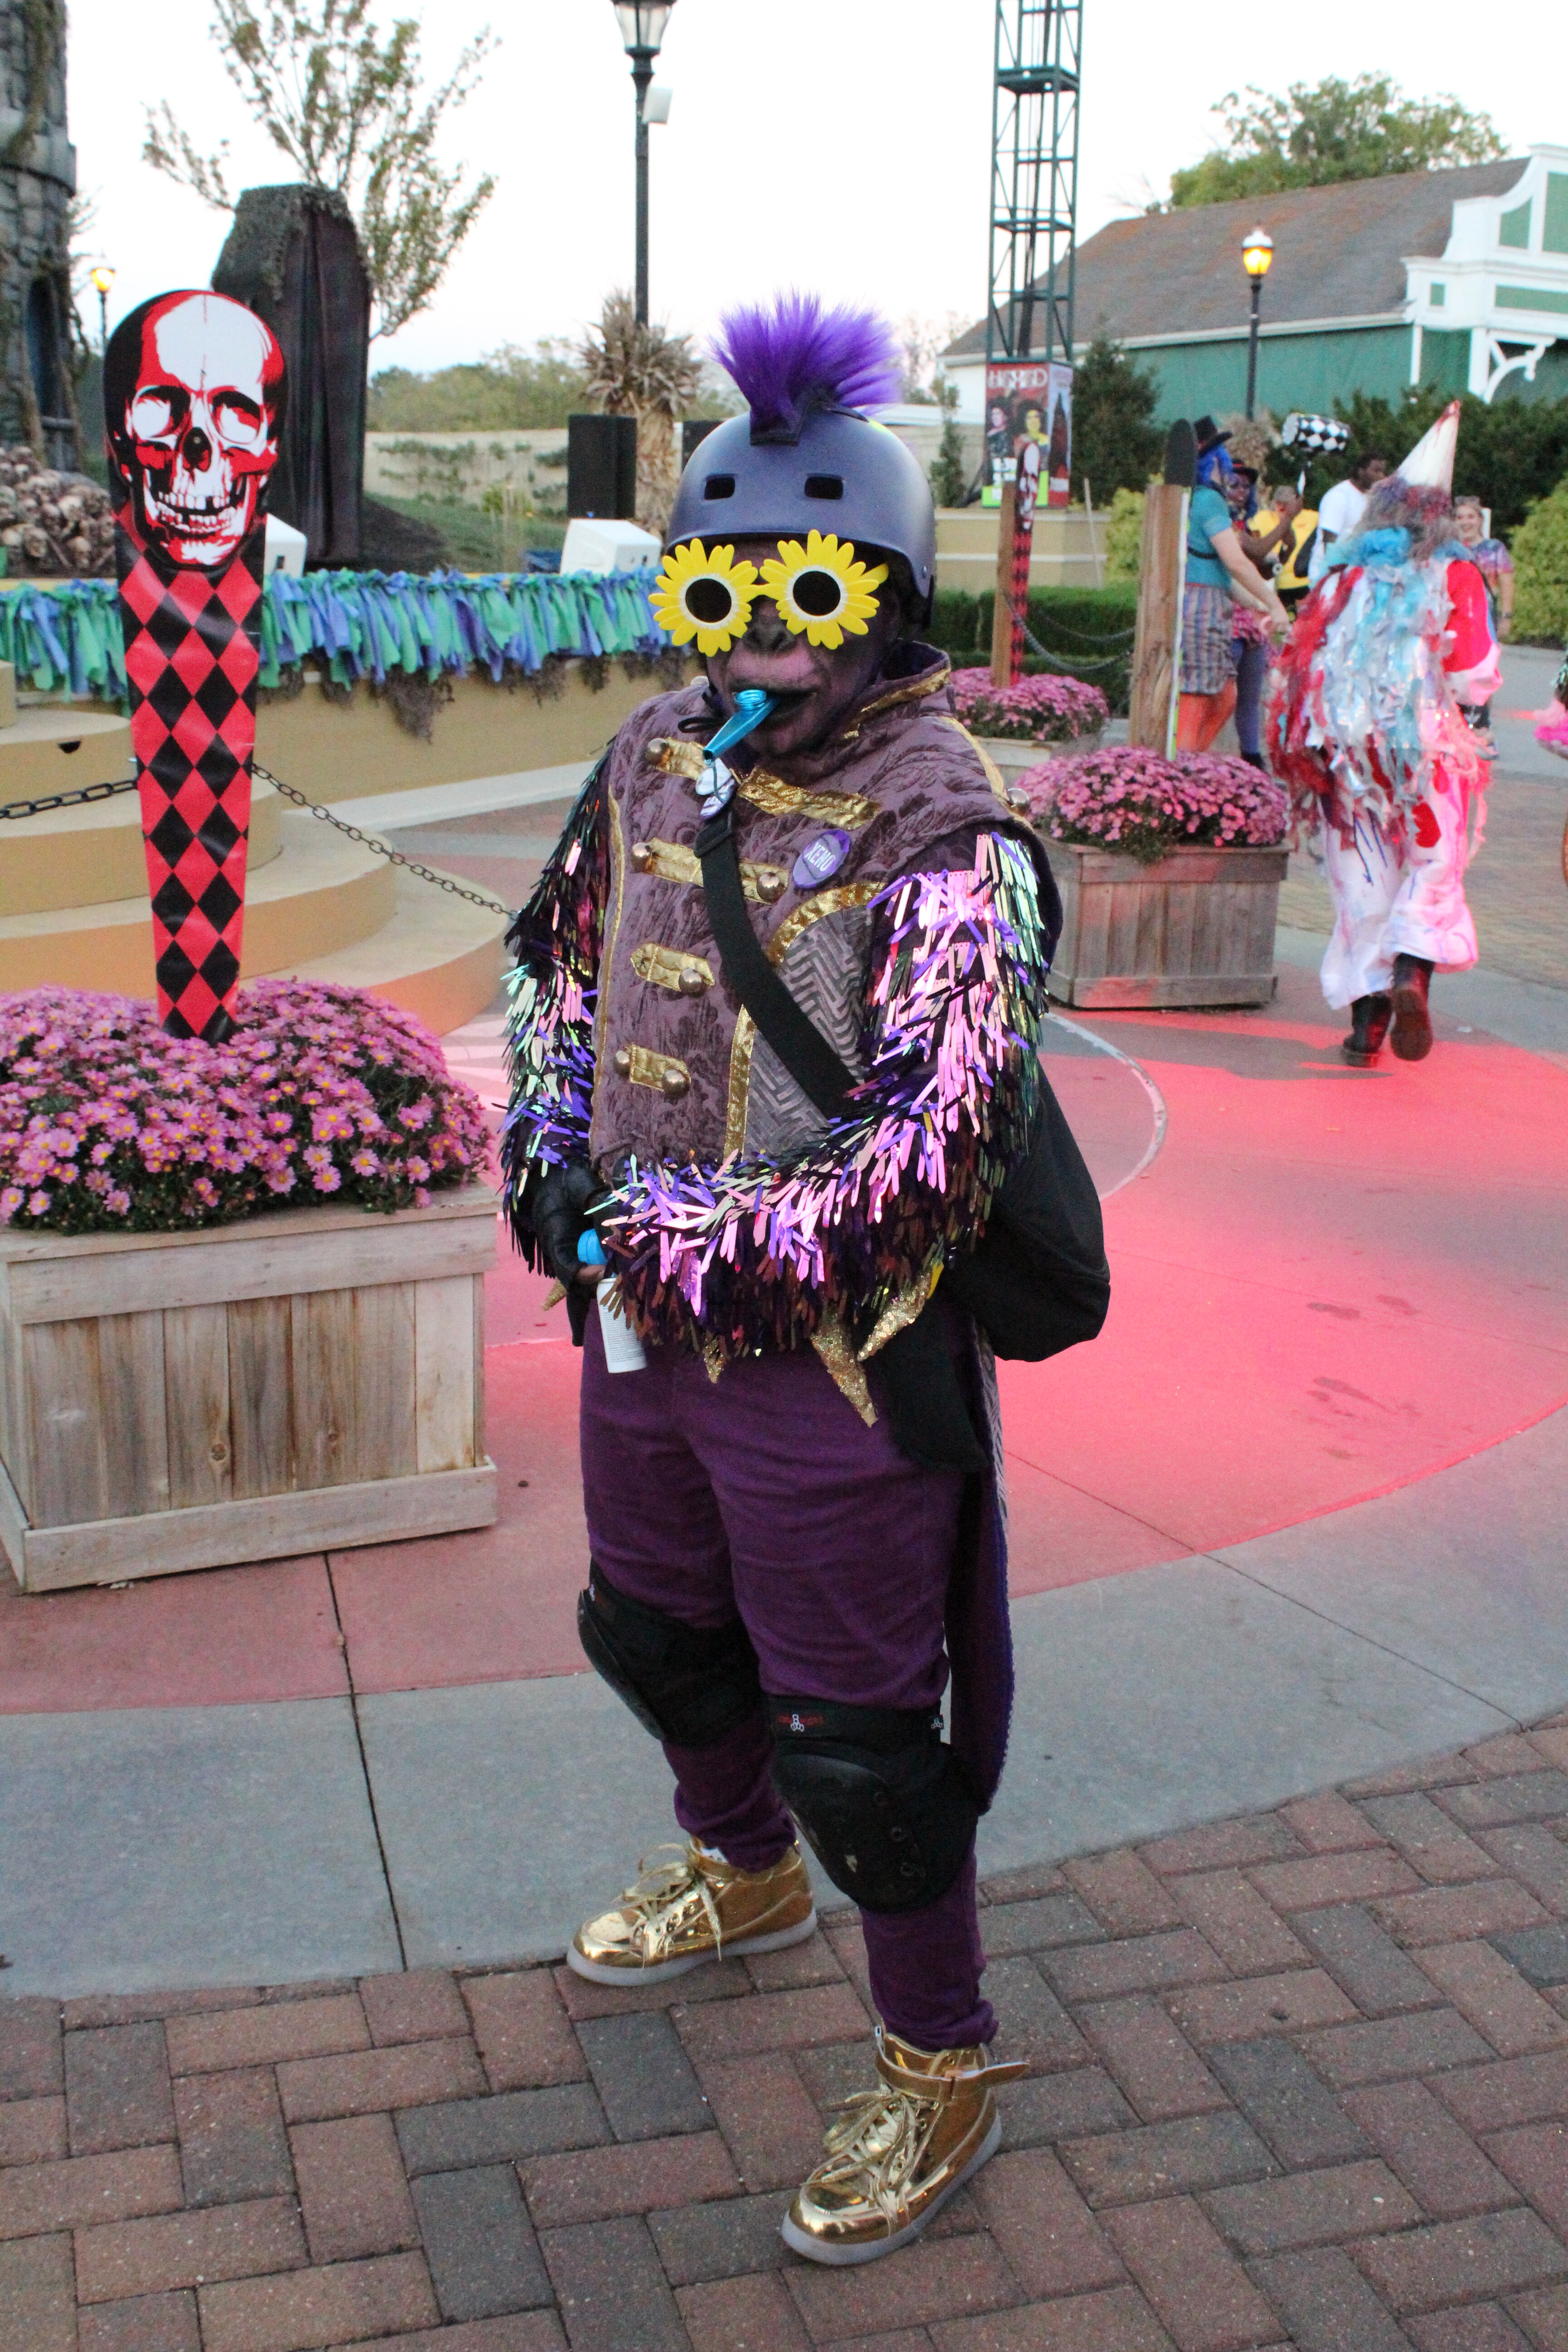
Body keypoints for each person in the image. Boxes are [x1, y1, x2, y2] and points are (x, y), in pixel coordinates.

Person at [501, 293, 1109, 2267]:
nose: (763, 612)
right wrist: (544, 1140)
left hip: (837, 1359)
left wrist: (685, 1241)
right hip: (635, 1332)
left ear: (885, 587)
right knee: (656, 1626)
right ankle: (738, 1866)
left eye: (808, 574)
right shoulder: (650, 752)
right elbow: (552, 965)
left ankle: (936, 2055)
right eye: (726, 574)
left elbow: (933, 1150)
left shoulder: (945, 819)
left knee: (863, 1736)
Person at [1271, 402, 1500, 1067]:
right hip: (1428, 747)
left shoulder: (1342, 576)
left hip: (1349, 750)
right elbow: (1474, 677)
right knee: (1434, 862)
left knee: (1363, 876)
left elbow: (1302, 662)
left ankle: (1367, 1023)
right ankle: (1412, 973)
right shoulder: (1457, 573)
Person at [1178, 417, 1290, 752]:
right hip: (1201, 608)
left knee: (1225, 695)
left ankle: (1188, 761)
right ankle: (1182, 767)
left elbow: (1221, 574)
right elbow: (1236, 562)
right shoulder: (1209, 501)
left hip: (1206, 601)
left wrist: (1258, 604)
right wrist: (1275, 604)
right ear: (1213, 460)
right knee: (1200, 695)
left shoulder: (1198, 499)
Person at [1307, 448, 1388, 582]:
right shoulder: (1339, 496)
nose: (1381, 477)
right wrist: (1335, 571)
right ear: (1361, 471)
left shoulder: (1370, 498)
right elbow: (1330, 539)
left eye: (1383, 472)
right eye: (1376, 471)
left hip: (1351, 572)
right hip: (1328, 572)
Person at [1453, 496, 1514, 639]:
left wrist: (1506, 616)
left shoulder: (1494, 548)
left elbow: (1507, 584)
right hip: (1455, 622)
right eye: (1460, 518)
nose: (1465, 522)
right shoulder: (1449, 551)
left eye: (1471, 517)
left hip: (1485, 621)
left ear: (1480, 520)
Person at [1249, 484, 1317, 612]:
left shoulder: (1313, 517)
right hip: (1273, 580)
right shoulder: (1261, 518)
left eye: (1287, 503)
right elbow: (1254, 544)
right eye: (1279, 503)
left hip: (1304, 581)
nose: (1282, 508)